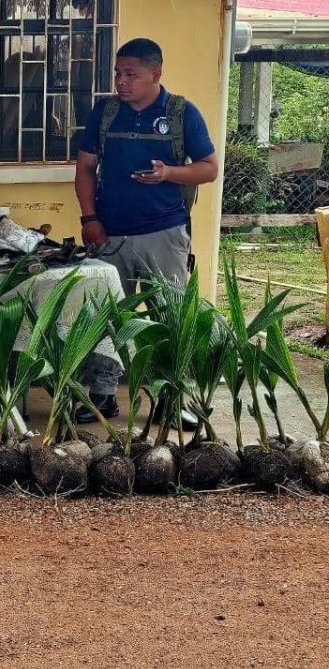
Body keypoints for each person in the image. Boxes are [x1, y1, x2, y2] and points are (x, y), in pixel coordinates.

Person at [74, 37, 219, 422]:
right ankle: (102, 395)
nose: (121, 81)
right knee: (105, 317)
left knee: (167, 316)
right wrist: (90, 218)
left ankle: (170, 399)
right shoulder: (104, 113)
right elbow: (85, 167)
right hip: (109, 235)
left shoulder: (181, 113)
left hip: (164, 234)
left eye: (131, 75)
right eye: (118, 73)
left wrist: (169, 174)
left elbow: (208, 167)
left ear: (155, 74)